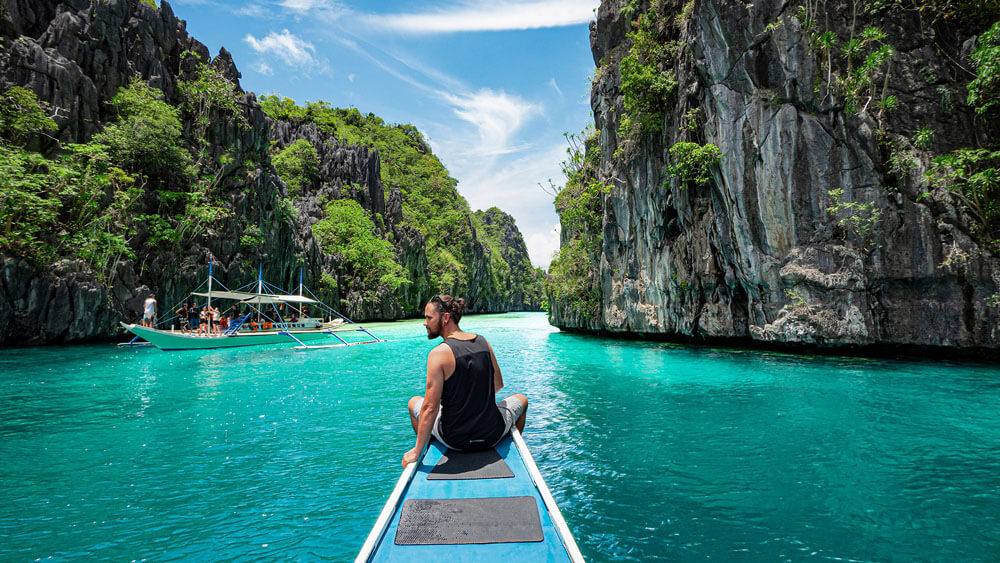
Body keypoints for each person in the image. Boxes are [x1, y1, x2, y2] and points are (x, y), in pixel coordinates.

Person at [403, 295, 528, 467]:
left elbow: (430, 408)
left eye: (428, 317)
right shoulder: (483, 342)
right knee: (522, 400)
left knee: (413, 403)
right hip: (491, 435)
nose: (425, 323)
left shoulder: (438, 354)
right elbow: (497, 385)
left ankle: (424, 447)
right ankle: (510, 446)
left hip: (455, 440)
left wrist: (415, 452)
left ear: (445, 318)